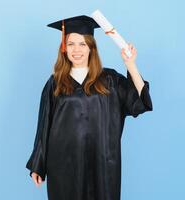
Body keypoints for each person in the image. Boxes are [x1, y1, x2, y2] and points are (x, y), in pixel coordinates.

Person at [25, 15, 153, 200]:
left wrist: (130, 64)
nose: (76, 50)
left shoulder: (110, 80)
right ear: (64, 48)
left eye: (82, 44)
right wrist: (38, 165)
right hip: (63, 164)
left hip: (102, 162)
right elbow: (44, 125)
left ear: (91, 48)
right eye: (71, 44)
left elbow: (140, 103)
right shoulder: (55, 83)